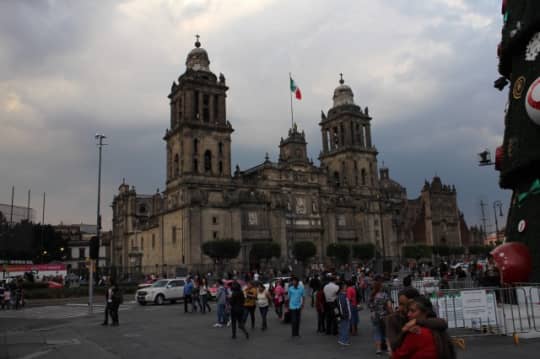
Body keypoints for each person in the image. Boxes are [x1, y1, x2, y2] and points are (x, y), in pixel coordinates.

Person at [386, 287, 448, 354]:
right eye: (399, 304)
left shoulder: (420, 316)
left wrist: (416, 321)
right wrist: (405, 330)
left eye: (403, 304)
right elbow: (393, 345)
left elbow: (442, 323)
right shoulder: (393, 319)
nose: (400, 308)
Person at [369, 280, 393, 355]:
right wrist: (392, 313)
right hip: (385, 316)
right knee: (387, 332)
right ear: (380, 287)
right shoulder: (384, 295)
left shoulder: (372, 295)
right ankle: (389, 348)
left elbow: (370, 306)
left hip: (375, 316)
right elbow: (389, 306)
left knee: (377, 332)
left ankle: (378, 349)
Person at [337, 281, 352, 346]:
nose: (346, 288)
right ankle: (344, 340)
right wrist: (344, 314)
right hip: (345, 314)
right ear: (341, 288)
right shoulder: (342, 296)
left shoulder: (343, 295)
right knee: (345, 328)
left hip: (345, 314)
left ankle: (342, 340)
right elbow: (342, 306)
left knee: (343, 327)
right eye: (345, 287)